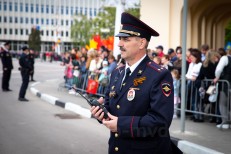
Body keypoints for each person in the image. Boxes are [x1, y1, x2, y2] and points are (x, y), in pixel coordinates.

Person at [90, 12, 179, 154]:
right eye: (120, 39)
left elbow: (160, 122)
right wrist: (101, 112)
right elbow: (113, 107)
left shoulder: (159, 75)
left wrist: (121, 125)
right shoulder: (117, 73)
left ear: (142, 43)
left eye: (126, 39)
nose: (119, 44)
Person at [213, 49, 231, 129]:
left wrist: (217, 77)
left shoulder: (225, 58)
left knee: (223, 104)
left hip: (226, 84)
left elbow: (219, 69)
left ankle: (225, 122)